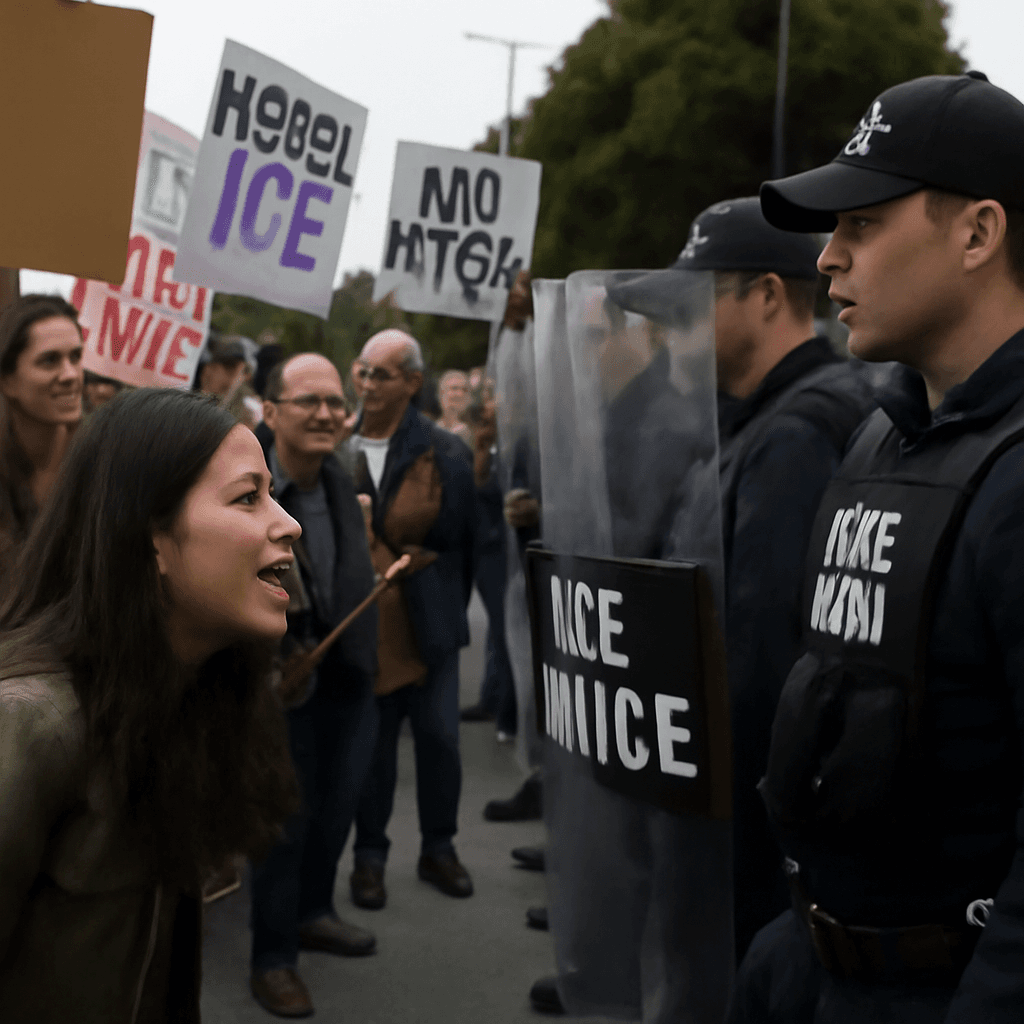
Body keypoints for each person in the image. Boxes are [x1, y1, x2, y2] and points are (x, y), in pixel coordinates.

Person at [727, 71, 1024, 1024]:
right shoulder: (878, 436)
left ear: (979, 233)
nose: (827, 259)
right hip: (811, 966)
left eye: (863, 223)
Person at [0, 387, 301, 1022]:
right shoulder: (29, 723)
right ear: (154, 539)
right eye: (248, 497)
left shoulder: (190, 696)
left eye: (271, 494)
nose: (286, 523)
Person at [249, 352, 380, 1018]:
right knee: (283, 822)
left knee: (336, 806)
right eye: (309, 401)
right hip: (274, 683)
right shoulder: (245, 487)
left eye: (336, 401)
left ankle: (315, 912)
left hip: (348, 673)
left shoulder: (344, 477)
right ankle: (272, 957)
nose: (329, 413)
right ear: (269, 411)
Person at [343, 329, 477, 906]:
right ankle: (369, 859)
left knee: (440, 740)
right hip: (366, 627)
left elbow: (463, 547)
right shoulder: (337, 444)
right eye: (364, 371)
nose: (369, 384)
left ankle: (438, 849)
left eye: (383, 374)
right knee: (371, 749)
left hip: (430, 627)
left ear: (413, 383)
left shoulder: (445, 451)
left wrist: (430, 593)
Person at [0, 294, 84, 581]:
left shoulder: (104, 456)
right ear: (8, 380)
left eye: (76, 356)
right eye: (50, 361)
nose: (70, 374)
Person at [436, 368, 470, 438]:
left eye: (465, 390)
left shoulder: (476, 430)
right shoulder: (432, 429)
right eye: (454, 388)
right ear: (442, 393)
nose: (460, 394)